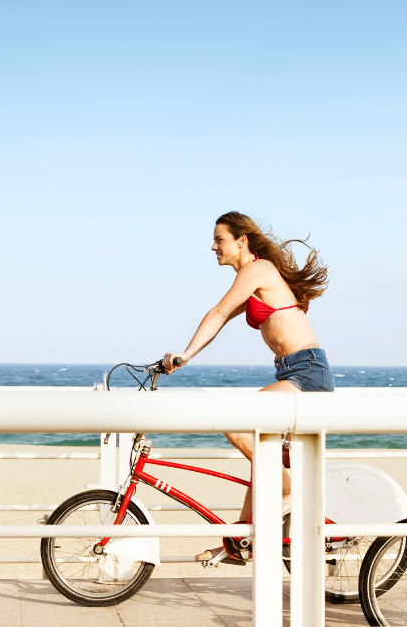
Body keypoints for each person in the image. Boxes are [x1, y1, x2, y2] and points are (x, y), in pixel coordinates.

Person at [162, 211, 333, 563]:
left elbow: (218, 311)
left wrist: (185, 354)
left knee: (237, 422)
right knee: (262, 454)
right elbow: (221, 319)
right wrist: (187, 356)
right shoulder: (253, 276)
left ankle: (288, 492)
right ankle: (241, 540)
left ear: (241, 241)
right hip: (294, 372)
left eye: (219, 239)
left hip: (307, 371)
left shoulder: (258, 269)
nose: (213, 246)